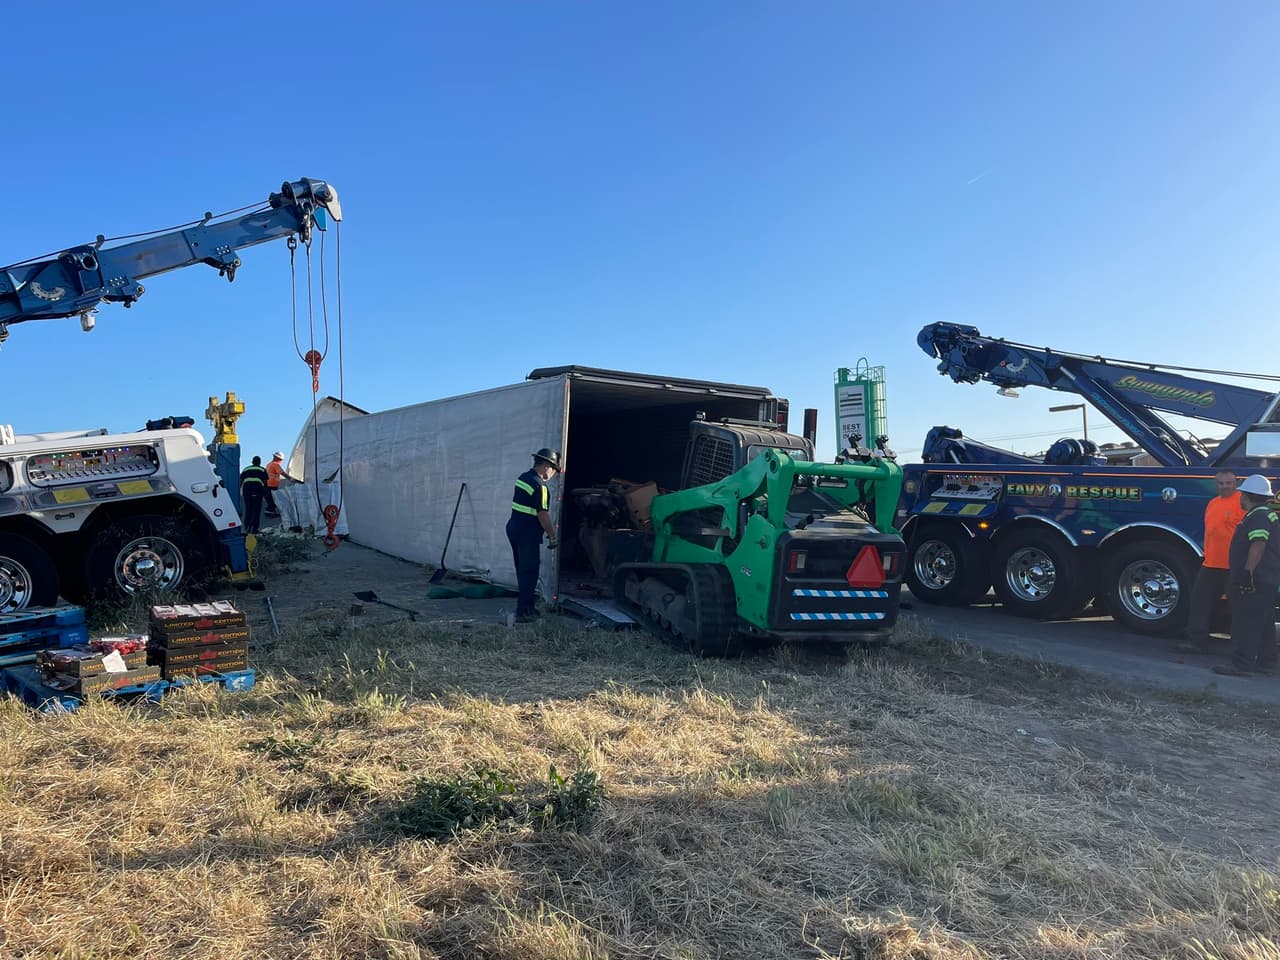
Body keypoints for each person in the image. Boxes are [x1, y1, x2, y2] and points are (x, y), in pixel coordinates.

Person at [1213, 474, 1280, 677]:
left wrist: (1247, 573)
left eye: (1242, 494)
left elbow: (1258, 544)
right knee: (1264, 622)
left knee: (1246, 622)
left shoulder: (1258, 516)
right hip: (1268, 578)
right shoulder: (1269, 514)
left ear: (1248, 496)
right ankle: (1267, 663)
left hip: (1256, 579)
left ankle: (1241, 665)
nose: (1239, 497)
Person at [1177, 469, 1245, 654]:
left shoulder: (1243, 502)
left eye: (1228, 483)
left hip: (1233, 566)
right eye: (1221, 483)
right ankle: (1196, 643)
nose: (1224, 486)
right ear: (1216, 484)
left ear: (1236, 482)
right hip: (1210, 564)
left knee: (1238, 609)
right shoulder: (1213, 503)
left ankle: (1240, 649)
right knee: (1199, 603)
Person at [506, 448, 561, 623]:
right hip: (527, 534)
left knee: (522, 571)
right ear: (546, 466)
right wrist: (552, 535)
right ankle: (523, 612)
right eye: (554, 469)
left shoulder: (523, 478)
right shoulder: (540, 486)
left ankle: (528, 606)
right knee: (529, 572)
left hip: (514, 529)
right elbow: (542, 513)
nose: (553, 473)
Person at [238, 455, 269, 534]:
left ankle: (247, 527)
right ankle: (254, 529)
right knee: (256, 510)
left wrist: (238, 491)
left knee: (248, 509)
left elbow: (240, 481)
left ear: (252, 462)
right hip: (257, 491)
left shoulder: (246, 469)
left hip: (247, 492)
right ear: (259, 462)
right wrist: (266, 493)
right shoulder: (262, 469)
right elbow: (265, 483)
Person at [265, 451, 296, 516]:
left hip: (267, 484)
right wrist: (291, 479)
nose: (281, 461)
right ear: (277, 458)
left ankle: (270, 510)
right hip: (272, 485)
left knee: (270, 498)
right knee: (273, 499)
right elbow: (282, 473)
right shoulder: (275, 464)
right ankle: (270, 511)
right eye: (280, 460)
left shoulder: (268, 464)